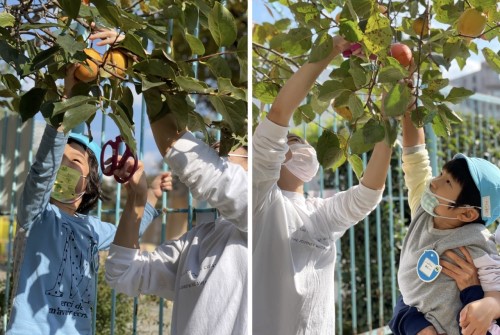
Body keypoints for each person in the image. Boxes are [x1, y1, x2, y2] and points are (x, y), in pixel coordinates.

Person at [252, 34, 393, 334]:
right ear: (275, 156)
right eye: (292, 140)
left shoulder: (321, 215)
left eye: (303, 142)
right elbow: (278, 115)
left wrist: (388, 120)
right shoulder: (262, 202)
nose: (303, 146)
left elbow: (367, 196)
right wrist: (330, 50)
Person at [6, 65, 161, 335]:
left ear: (90, 183)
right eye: (59, 160)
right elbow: (43, 170)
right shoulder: (38, 214)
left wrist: (152, 195)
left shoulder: (91, 227)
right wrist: (67, 103)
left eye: (75, 161)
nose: (63, 165)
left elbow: (128, 232)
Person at [105, 112, 248, 335]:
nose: (214, 153)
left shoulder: (267, 219)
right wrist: (137, 199)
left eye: (226, 149)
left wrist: (154, 87)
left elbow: (208, 174)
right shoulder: (196, 240)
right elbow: (122, 272)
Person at [388, 93, 500, 335]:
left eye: (447, 182)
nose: (434, 183)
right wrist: (408, 97)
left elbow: (494, 282)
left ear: (468, 214)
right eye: (441, 174)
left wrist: (491, 303)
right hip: (414, 315)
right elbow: (414, 157)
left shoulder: (476, 241)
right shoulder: (423, 210)